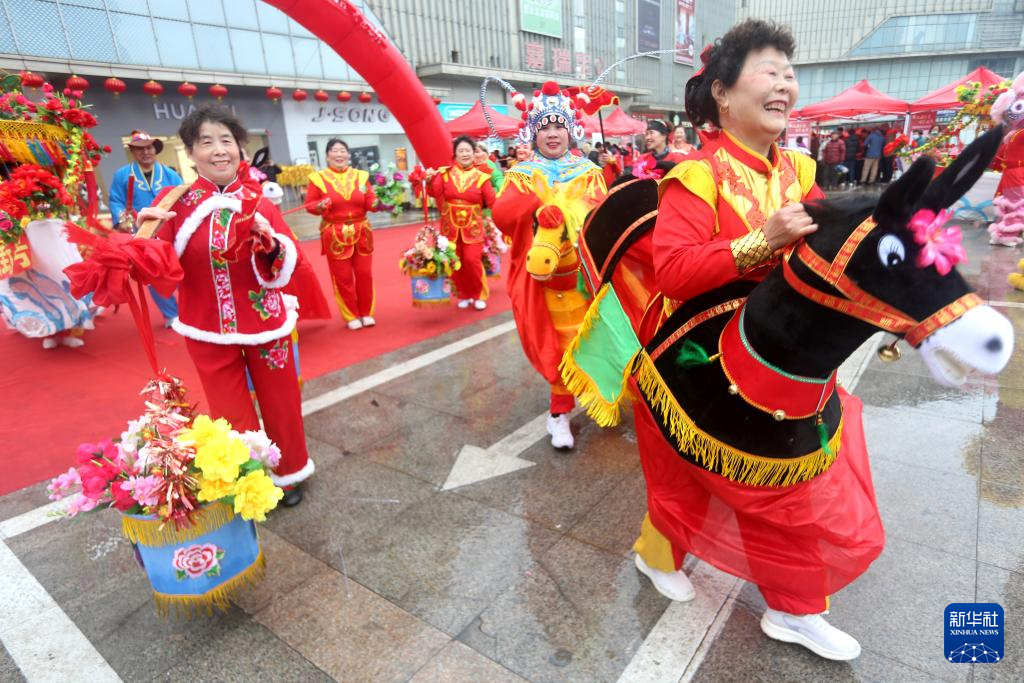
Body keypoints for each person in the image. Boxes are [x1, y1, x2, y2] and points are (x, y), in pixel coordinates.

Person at [628, 19, 880, 661]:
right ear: (721, 92)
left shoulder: (800, 168)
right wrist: (761, 241)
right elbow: (673, 272)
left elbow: (830, 251)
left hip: (780, 354)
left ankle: (795, 608)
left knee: (789, 486)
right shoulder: (696, 176)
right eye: (769, 71)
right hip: (694, 357)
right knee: (685, 476)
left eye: (789, 74)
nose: (785, 84)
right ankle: (658, 554)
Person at [135, 105, 313, 506]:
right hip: (206, 327)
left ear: (240, 149)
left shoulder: (261, 202)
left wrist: (270, 244)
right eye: (206, 142)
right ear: (190, 152)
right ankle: (250, 483)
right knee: (230, 412)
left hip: (267, 323)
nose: (218, 150)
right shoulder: (174, 203)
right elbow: (155, 270)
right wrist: (143, 238)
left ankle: (289, 473)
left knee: (282, 404)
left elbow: (291, 262)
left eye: (226, 141)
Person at [492, 80, 607, 449]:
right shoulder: (522, 174)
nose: (553, 134)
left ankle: (598, 392)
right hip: (542, 277)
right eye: (545, 128)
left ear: (570, 130)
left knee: (591, 335)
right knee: (554, 342)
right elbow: (502, 215)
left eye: (559, 126)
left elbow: (601, 214)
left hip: (585, 275)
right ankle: (559, 413)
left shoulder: (587, 170)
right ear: (534, 133)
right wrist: (539, 203)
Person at [108, 130, 183, 326]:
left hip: (171, 229)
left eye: (149, 147)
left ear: (155, 149)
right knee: (152, 273)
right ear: (133, 151)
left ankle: (191, 308)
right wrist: (122, 220)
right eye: (140, 149)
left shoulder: (170, 174)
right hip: (142, 232)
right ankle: (171, 314)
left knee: (182, 269)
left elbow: (184, 197)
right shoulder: (122, 175)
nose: (145, 152)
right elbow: (116, 200)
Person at [305, 139, 381, 330]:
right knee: (343, 277)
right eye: (334, 150)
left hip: (362, 231)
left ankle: (366, 313)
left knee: (364, 274)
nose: (339, 154)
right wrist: (319, 206)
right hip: (335, 233)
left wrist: (378, 202)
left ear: (348, 154)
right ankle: (351, 315)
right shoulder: (318, 178)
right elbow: (310, 205)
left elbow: (370, 200)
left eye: (342, 150)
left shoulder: (361, 176)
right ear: (327, 156)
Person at [427, 136, 496, 310]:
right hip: (449, 226)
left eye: (468, 150)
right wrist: (428, 179)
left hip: (473, 227)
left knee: (472, 260)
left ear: (474, 153)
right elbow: (434, 192)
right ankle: (464, 294)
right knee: (455, 261)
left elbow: (492, 201)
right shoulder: (445, 174)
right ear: (455, 154)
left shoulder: (482, 177)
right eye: (461, 151)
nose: (464, 154)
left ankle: (478, 294)